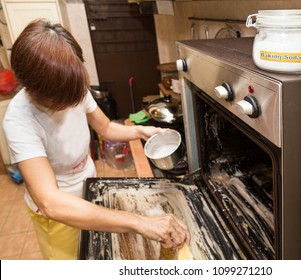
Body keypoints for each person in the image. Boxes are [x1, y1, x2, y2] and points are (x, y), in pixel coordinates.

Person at [3, 19, 190, 260]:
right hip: (59, 216)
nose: (74, 103)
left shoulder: (73, 85)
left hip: (90, 190)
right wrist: (139, 222)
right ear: (35, 90)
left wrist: (140, 132)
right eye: (63, 102)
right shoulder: (20, 120)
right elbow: (51, 202)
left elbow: (105, 127)